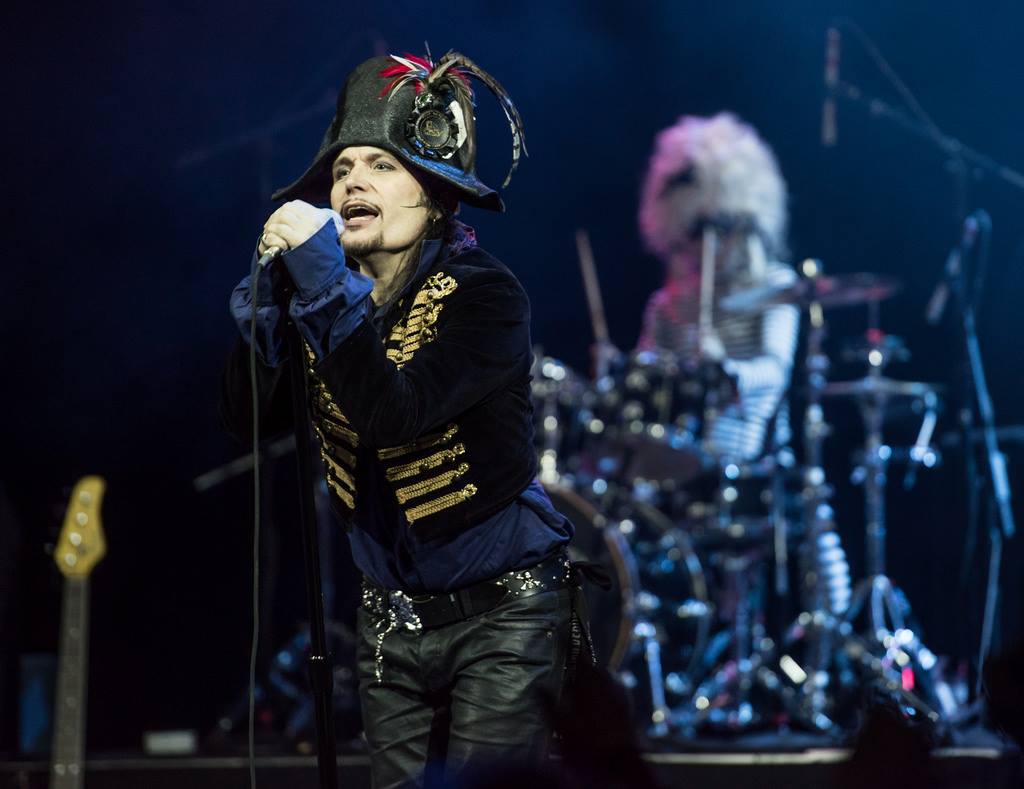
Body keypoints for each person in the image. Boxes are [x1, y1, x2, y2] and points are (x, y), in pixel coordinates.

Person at [220, 51, 586, 788]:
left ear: (436, 194)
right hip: (391, 627)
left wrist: (321, 282)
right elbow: (249, 421)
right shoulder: (323, 300)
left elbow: (395, 415)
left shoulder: (485, 296)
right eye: (343, 168)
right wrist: (269, 306)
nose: (351, 182)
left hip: (505, 623)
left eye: (381, 165)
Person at [636, 112, 799, 461]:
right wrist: (624, 374)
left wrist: (725, 369)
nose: (706, 242)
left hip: (751, 465)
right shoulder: (667, 304)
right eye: (695, 231)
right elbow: (649, 382)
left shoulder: (777, 287)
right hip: (677, 462)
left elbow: (775, 371)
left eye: (721, 227)